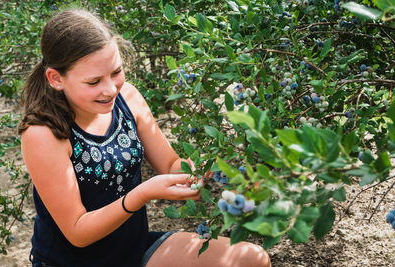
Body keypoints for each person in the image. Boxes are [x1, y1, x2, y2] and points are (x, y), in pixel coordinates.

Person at [18, 8, 271, 267]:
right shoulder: (43, 133)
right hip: (72, 262)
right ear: (56, 78)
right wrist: (141, 195)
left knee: (253, 259)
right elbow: (77, 231)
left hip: (133, 251)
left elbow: (170, 165)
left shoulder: (127, 97)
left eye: (115, 72)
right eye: (93, 82)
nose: (110, 89)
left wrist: (202, 172)